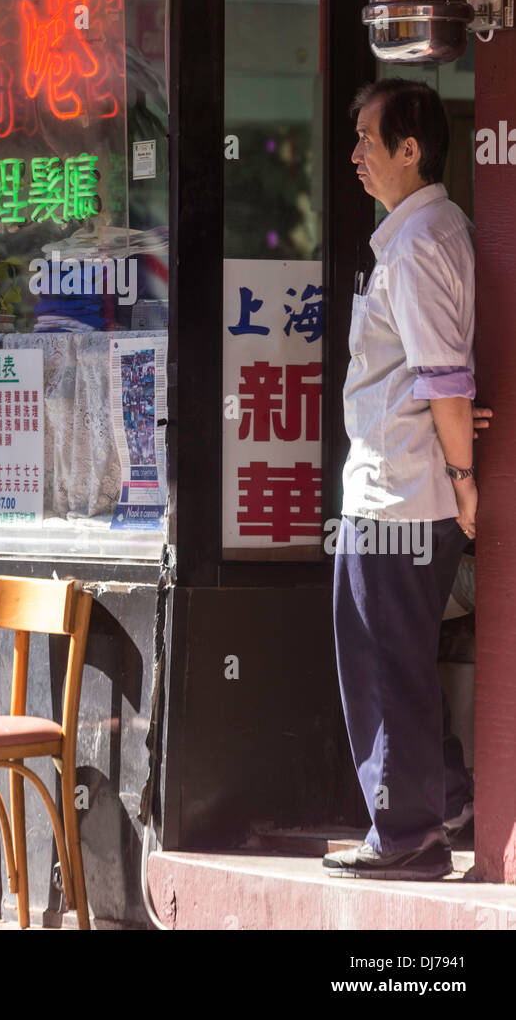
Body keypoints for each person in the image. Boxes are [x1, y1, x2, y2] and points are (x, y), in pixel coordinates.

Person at [323, 78, 478, 883]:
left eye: (367, 140)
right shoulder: (439, 228)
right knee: (403, 661)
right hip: (404, 488)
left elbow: (446, 380)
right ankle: (440, 801)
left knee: (384, 665)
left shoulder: (417, 246)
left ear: (409, 150)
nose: (354, 154)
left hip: (398, 493)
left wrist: (463, 479)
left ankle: (408, 830)